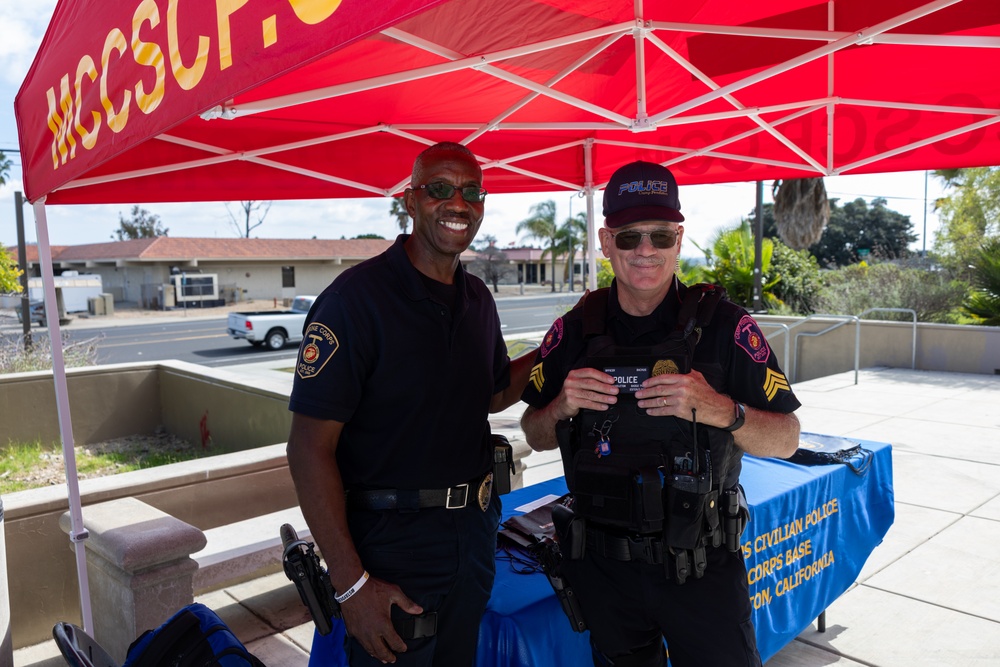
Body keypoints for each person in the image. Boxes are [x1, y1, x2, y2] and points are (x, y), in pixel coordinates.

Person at [520, 161, 801, 667]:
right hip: (604, 570)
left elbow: (787, 439)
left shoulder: (725, 328)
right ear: (606, 242)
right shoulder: (572, 331)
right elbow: (533, 433)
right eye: (629, 237)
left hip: (702, 571)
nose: (645, 250)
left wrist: (723, 411)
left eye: (660, 235)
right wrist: (561, 405)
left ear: (679, 238)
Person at [286, 142, 533, 666]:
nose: (457, 203)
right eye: (439, 189)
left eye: (471, 192)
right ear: (410, 200)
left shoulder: (477, 300)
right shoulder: (355, 301)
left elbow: (492, 394)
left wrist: (554, 351)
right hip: (391, 550)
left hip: (473, 537)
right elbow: (308, 449)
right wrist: (352, 587)